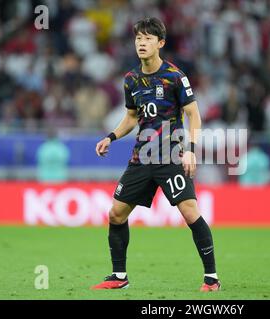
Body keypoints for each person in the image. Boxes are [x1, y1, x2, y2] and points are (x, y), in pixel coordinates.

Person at [92, 18, 220, 291]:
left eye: (148, 38)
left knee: (190, 213)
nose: (141, 42)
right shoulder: (131, 80)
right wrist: (111, 137)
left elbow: (193, 115)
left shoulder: (175, 76)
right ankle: (119, 277)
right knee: (116, 214)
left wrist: (190, 151)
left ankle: (211, 279)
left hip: (171, 156)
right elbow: (131, 116)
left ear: (160, 43)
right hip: (142, 157)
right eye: (138, 37)